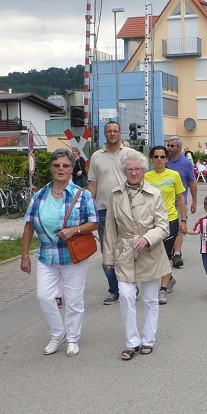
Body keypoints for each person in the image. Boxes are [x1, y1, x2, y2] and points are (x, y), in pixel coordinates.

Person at [20, 149, 98, 358]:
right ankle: (58, 333)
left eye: (65, 165)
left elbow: (94, 223)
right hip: (46, 254)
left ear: (72, 169)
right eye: (57, 165)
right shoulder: (39, 195)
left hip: (73, 255)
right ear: (51, 168)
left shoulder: (82, 195)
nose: (61, 169)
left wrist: (74, 230)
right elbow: (28, 226)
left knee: (73, 299)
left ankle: (73, 338)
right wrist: (25, 256)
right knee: (44, 296)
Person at [103, 154, 171, 359]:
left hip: (150, 252)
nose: (133, 173)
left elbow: (163, 226)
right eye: (129, 169)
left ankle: (148, 339)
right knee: (125, 295)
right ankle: (132, 341)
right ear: (124, 172)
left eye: (137, 169)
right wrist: (108, 259)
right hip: (124, 251)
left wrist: (148, 238)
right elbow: (109, 229)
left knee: (150, 299)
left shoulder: (154, 194)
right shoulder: (115, 195)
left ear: (143, 171)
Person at [87, 121, 137, 305]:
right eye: (109, 131)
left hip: (126, 209)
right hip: (103, 210)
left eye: (115, 130)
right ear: (105, 134)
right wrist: (86, 204)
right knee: (107, 252)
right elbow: (92, 183)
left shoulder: (129, 154)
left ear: (120, 133)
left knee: (128, 249)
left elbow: (137, 179)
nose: (113, 133)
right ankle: (114, 290)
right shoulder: (96, 156)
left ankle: (130, 286)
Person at [145, 145, 186, 304]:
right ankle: (169, 278)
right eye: (156, 157)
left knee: (166, 254)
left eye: (162, 157)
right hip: (151, 221)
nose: (159, 159)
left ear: (167, 159)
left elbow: (180, 198)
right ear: (151, 159)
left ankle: (162, 290)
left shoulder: (174, 175)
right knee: (153, 254)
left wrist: (183, 219)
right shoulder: (146, 177)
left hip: (170, 219)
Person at [165, 136, 196, 269]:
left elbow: (192, 182)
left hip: (180, 200)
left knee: (179, 227)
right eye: (168, 145)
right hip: (164, 201)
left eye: (172, 146)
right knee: (166, 228)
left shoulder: (186, 163)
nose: (169, 148)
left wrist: (195, 201)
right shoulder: (163, 160)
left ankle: (177, 254)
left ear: (179, 148)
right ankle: (169, 250)